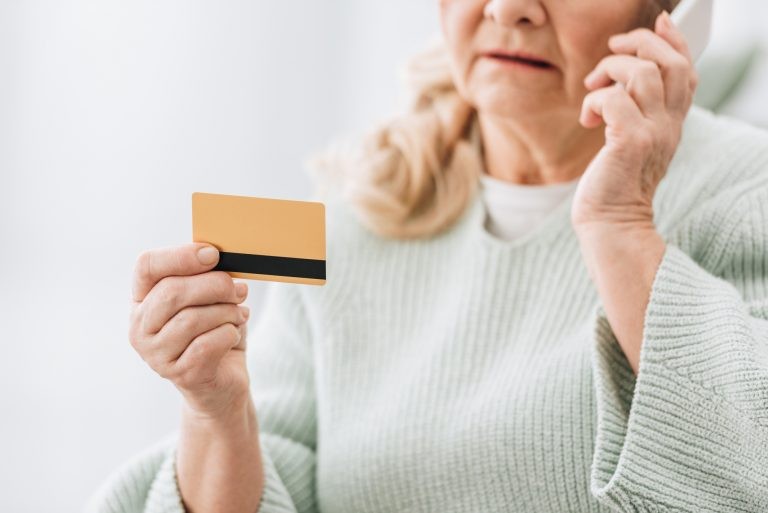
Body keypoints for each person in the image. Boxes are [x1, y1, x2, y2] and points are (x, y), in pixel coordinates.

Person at [86, 0, 768, 512]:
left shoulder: (744, 192)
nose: (508, 9)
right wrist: (215, 411)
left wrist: (619, 225)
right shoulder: (359, 206)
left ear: (671, 14)